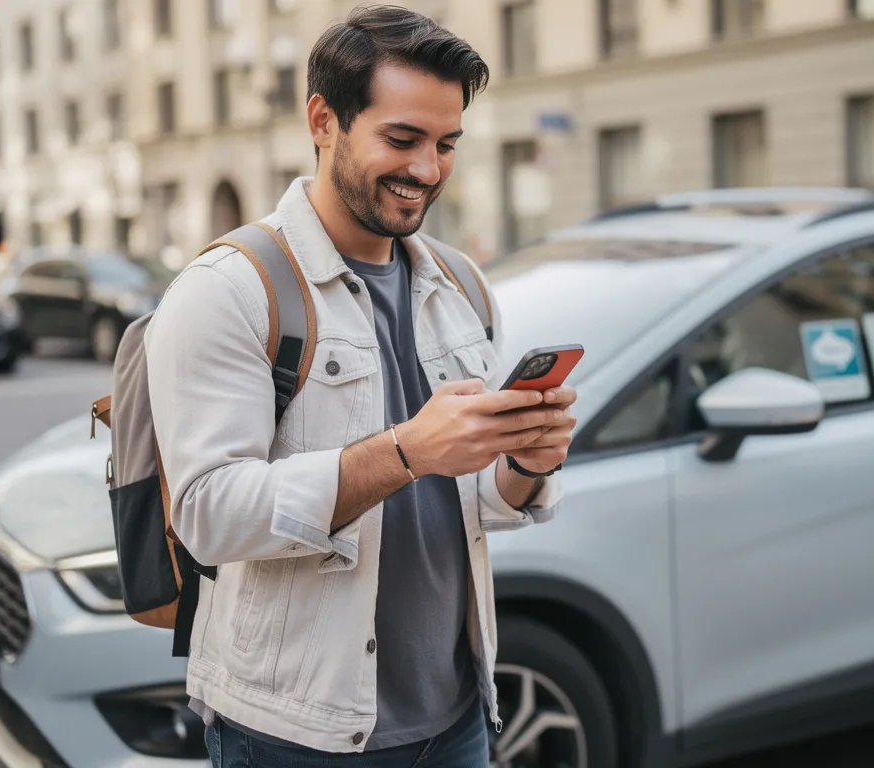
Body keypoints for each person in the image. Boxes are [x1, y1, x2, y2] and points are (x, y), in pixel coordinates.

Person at [144, 6, 576, 767]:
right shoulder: (228, 290)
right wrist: (405, 450)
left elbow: (462, 505)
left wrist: (524, 464)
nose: (429, 170)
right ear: (323, 120)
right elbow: (207, 514)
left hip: (459, 716)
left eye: (446, 145)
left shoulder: (462, 286)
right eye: (402, 140)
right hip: (293, 734)